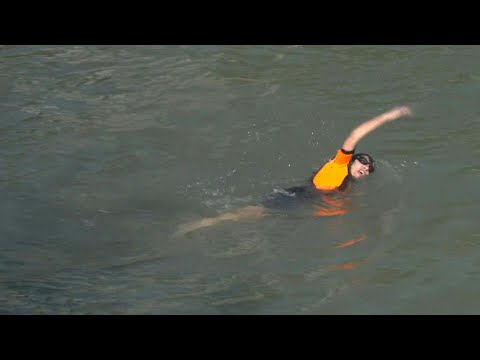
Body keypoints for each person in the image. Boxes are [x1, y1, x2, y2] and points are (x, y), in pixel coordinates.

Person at [176, 106, 412, 236]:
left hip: (305, 205)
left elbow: (337, 207)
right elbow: (355, 135)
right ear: (352, 161)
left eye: (370, 168)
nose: (365, 167)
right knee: (247, 215)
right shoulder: (340, 164)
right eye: (362, 161)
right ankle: (198, 225)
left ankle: (211, 227)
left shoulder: (349, 184)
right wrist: (388, 116)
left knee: (257, 223)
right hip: (294, 197)